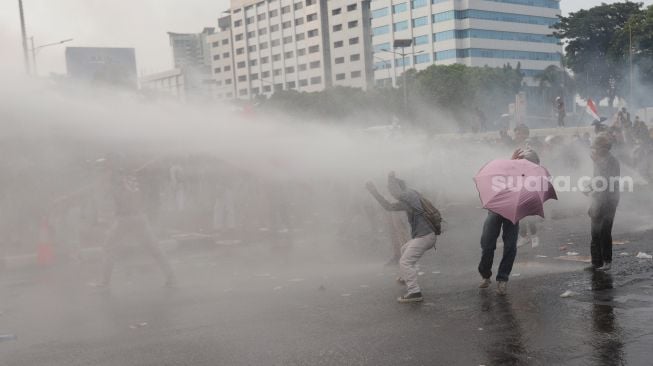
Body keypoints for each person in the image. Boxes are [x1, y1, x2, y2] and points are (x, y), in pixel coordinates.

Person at [98, 158, 177, 287]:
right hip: (139, 217)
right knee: (155, 249)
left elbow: (121, 199)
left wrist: (108, 186)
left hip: (126, 219)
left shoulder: (117, 180)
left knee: (108, 247)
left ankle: (104, 282)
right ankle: (171, 277)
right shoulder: (129, 178)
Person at [366, 172, 437, 303]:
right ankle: (407, 276)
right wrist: (374, 192)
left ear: (399, 188)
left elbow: (395, 192)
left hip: (425, 237)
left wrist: (390, 176)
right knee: (405, 249)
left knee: (405, 261)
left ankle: (414, 292)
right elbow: (388, 206)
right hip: (425, 236)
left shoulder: (410, 195)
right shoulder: (409, 200)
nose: (391, 193)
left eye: (392, 189)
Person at [478, 148, 541, 295]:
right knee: (487, 244)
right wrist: (511, 162)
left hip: (513, 213)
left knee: (510, 246)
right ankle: (485, 274)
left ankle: (502, 279)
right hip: (495, 210)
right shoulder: (507, 167)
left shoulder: (532, 178)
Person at [585, 133, 620, 271]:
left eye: (597, 148)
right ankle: (596, 262)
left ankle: (607, 261)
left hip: (609, 200)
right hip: (598, 199)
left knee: (605, 231)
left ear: (604, 148)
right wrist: (589, 188)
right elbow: (597, 179)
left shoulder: (612, 161)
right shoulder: (598, 160)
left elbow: (608, 179)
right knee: (595, 232)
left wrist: (597, 162)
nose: (594, 150)